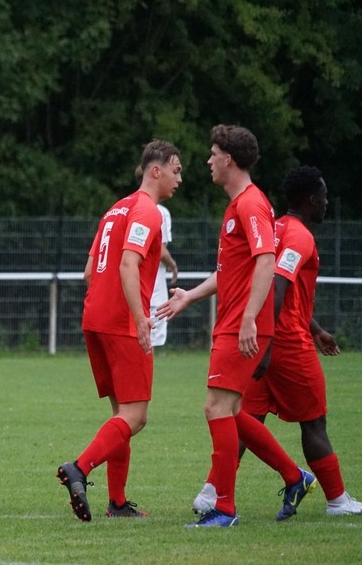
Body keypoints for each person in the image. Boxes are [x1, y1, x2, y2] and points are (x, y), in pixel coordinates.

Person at [157, 125, 316, 528]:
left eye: (213, 154)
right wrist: (190, 296)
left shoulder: (251, 204)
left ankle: (225, 508)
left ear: (229, 159)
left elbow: (266, 260)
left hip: (241, 325)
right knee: (233, 410)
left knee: (216, 408)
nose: (208, 161)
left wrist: (248, 319)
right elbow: (230, 271)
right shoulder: (237, 206)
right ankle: (294, 476)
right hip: (232, 322)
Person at [58, 140, 182, 522]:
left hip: (95, 317)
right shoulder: (148, 211)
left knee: (121, 415)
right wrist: (140, 318)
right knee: (137, 416)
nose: (179, 179)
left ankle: (117, 502)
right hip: (122, 322)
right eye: (176, 170)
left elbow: (89, 271)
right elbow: (129, 265)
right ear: (156, 170)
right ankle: (79, 468)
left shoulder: (116, 209)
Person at [240, 166, 362, 516]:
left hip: (266, 338)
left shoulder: (274, 228)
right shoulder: (300, 236)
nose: (326, 203)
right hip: (286, 344)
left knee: (247, 421)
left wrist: (317, 329)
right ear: (310, 200)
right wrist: (269, 346)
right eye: (323, 197)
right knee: (314, 422)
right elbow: (277, 290)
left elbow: (285, 293)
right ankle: (337, 500)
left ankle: (212, 492)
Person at [150, 204, 179, 348]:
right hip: (153, 292)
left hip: (129, 291)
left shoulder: (125, 207)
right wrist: (173, 266)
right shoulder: (160, 212)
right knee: (148, 343)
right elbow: (160, 250)